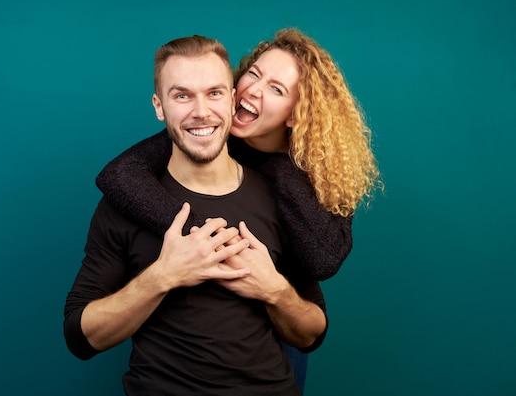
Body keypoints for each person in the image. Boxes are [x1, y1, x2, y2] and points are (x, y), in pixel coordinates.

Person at [94, 28, 381, 391]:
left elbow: (322, 261)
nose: (254, 91)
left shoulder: (322, 170)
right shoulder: (209, 130)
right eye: (254, 74)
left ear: (297, 113)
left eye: (276, 89)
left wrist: (275, 166)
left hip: (276, 323)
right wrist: (210, 240)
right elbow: (119, 174)